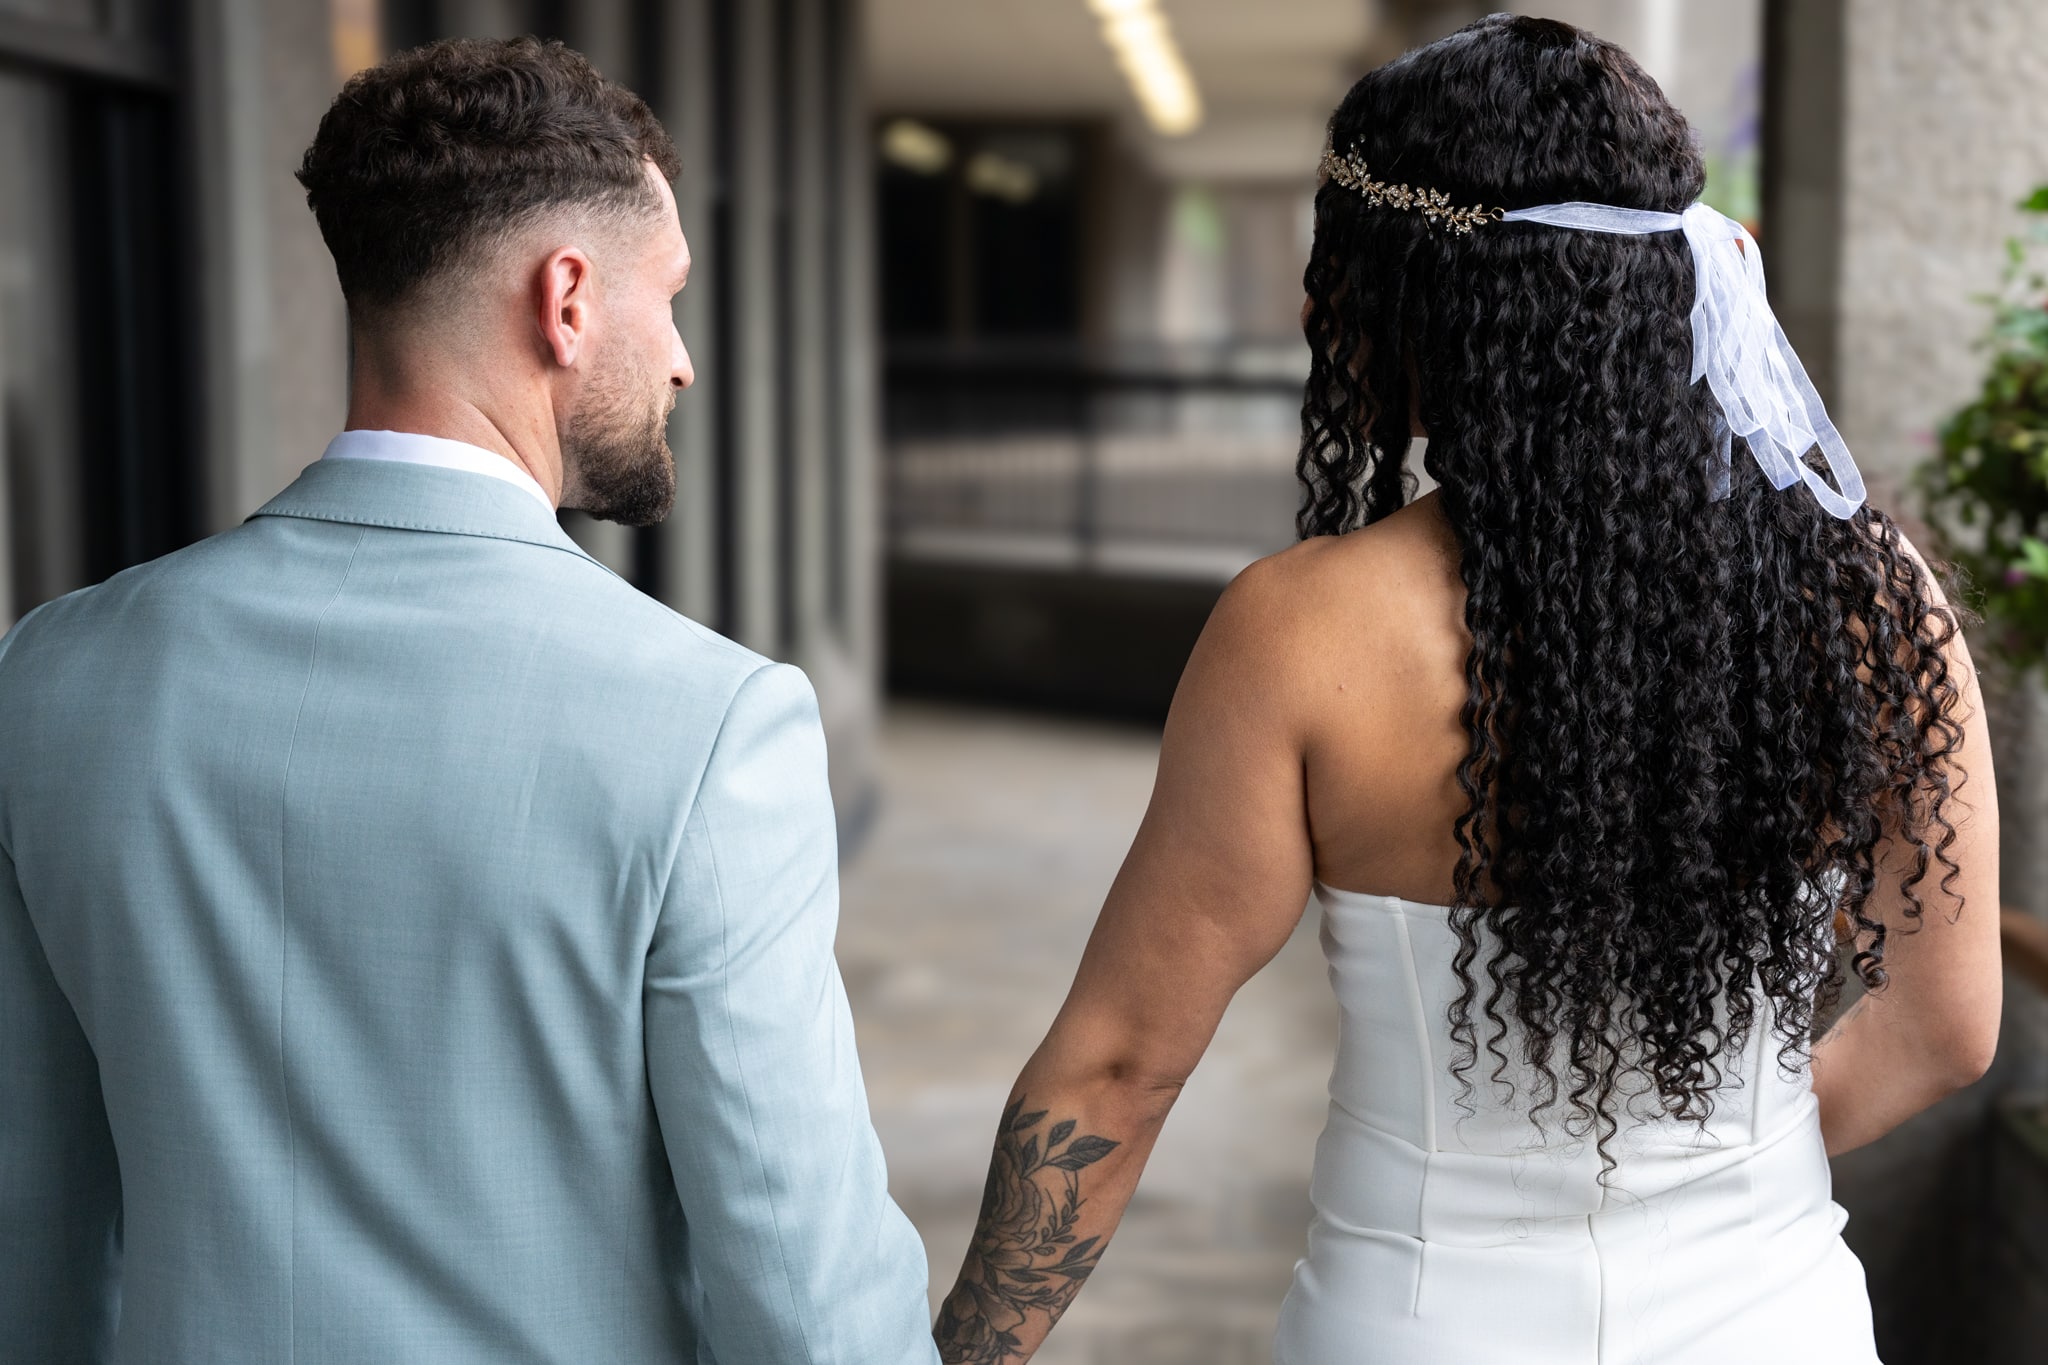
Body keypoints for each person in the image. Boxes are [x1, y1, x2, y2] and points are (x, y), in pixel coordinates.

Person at [932, 16, 2001, 1365]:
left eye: (1345, 271)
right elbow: (1947, 1029)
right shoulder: (1872, 601)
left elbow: (1120, 1065)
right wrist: (1720, 1172)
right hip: (1773, 1321)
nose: (1319, 314)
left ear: (1438, 304)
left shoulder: (1301, 634)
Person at [0, 36, 936, 1364]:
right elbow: (804, 1288)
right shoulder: (714, 727)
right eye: (669, 297)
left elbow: (31, 1232)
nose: (681, 360)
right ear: (568, 299)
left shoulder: (52, 675)